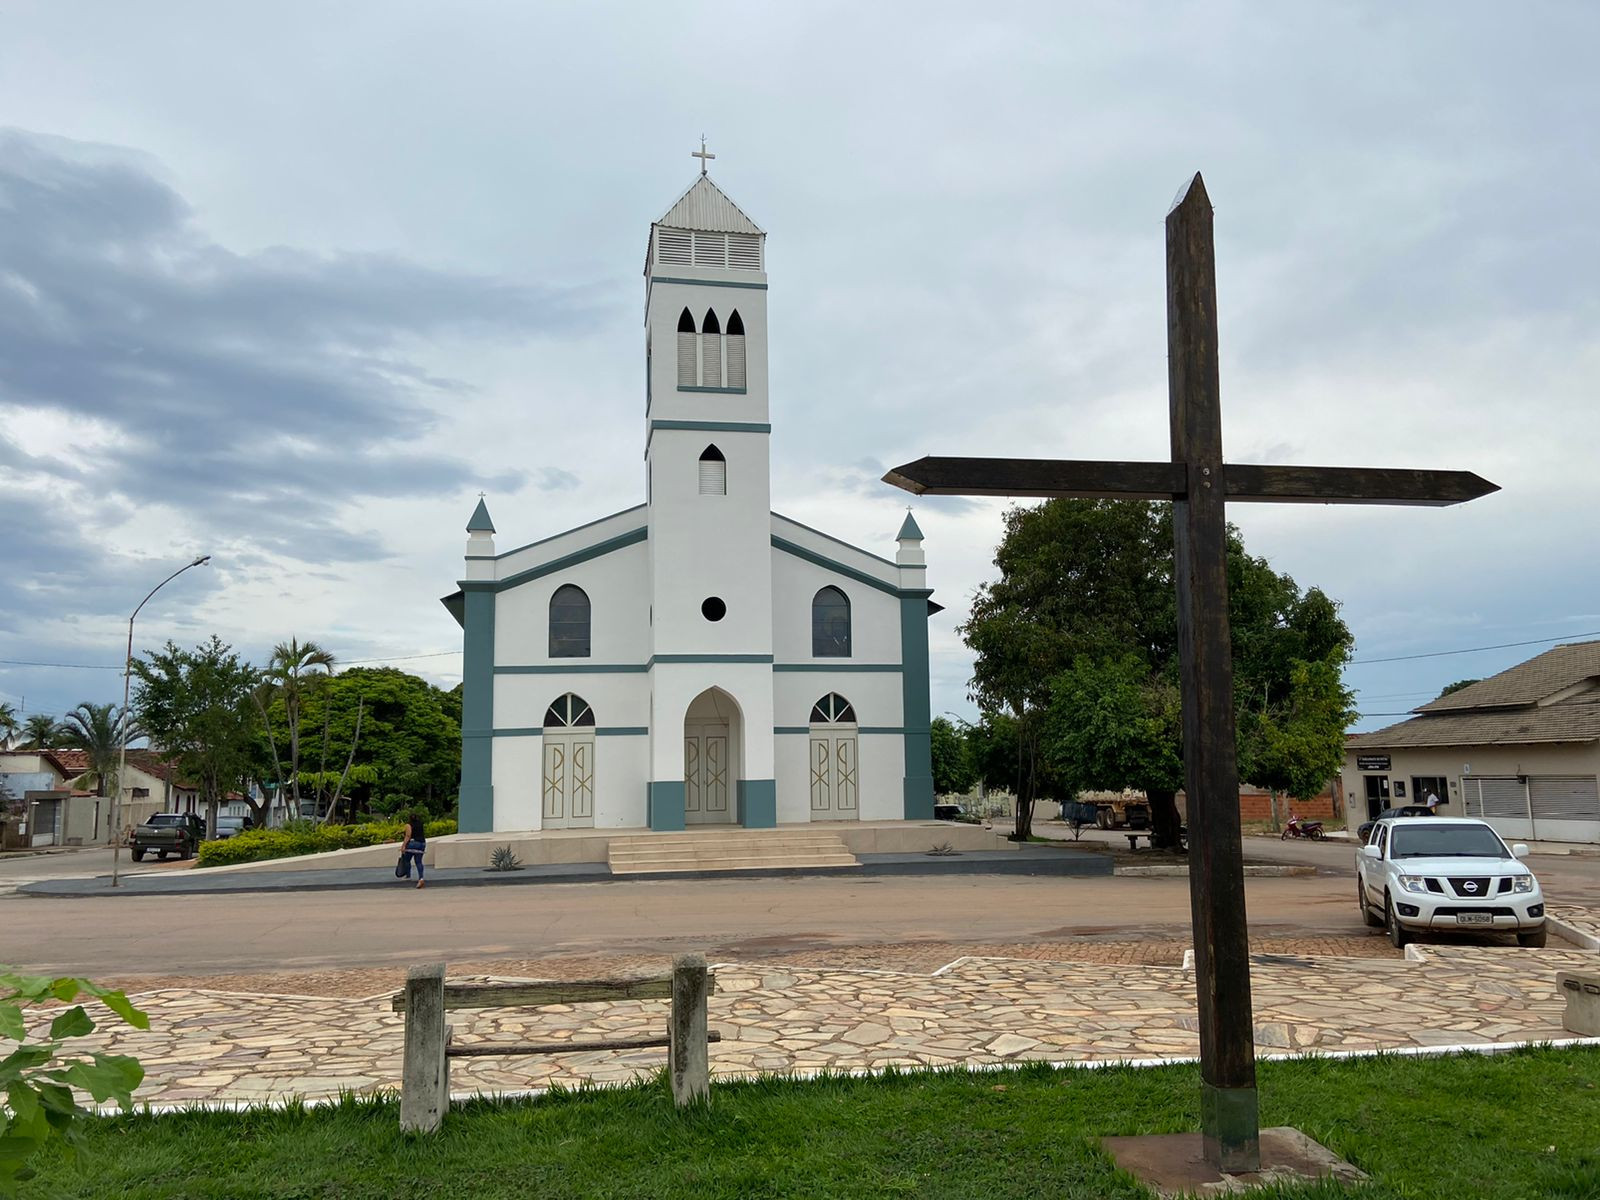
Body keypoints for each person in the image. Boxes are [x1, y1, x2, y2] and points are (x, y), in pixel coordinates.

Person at [399, 812, 427, 889]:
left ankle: (408, 876)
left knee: (407, 859)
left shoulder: (408, 825)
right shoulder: (420, 823)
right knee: (418, 861)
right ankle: (421, 878)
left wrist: (403, 846)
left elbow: (408, 835)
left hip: (413, 843)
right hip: (422, 843)